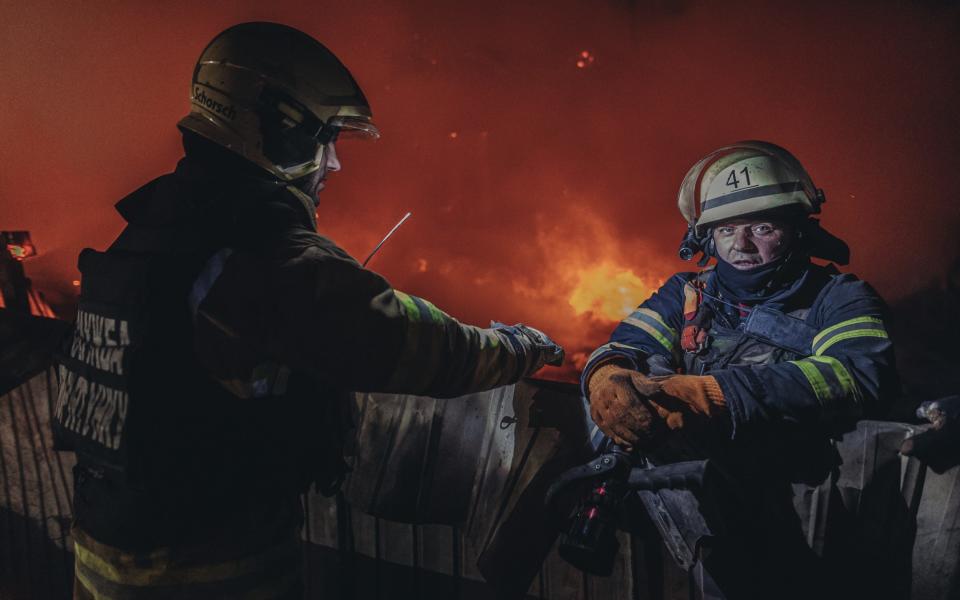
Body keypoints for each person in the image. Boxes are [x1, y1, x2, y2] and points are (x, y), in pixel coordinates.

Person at [53, 22, 562, 599]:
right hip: (205, 572)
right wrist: (518, 348)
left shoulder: (150, 235)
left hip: (102, 555)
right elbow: (405, 342)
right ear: (281, 128)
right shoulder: (256, 252)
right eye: (328, 139)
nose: (335, 165)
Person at [579, 141, 898, 598]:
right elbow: (626, 346)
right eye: (727, 230)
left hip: (802, 513)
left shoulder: (840, 297)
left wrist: (714, 394)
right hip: (692, 521)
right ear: (706, 238)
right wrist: (605, 374)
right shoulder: (687, 293)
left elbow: (857, 376)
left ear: (796, 229)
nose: (742, 245)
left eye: (762, 227)